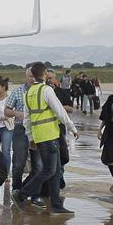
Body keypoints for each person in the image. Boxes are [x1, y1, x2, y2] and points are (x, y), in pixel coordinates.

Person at [13, 62, 79, 214]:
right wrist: (72, 128)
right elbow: (60, 111)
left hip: (39, 136)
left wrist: (30, 137)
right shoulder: (46, 90)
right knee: (49, 170)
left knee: (55, 172)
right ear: (43, 74)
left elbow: (27, 119)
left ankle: (56, 205)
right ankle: (21, 194)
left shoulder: (28, 92)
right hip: (50, 135)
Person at [4, 68, 43, 206]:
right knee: (18, 164)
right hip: (21, 130)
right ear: (26, 77)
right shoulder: (17, 91)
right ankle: (16, 190)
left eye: (35, 76)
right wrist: (16, 113)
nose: (32, 79)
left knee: (38, 165)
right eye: (30, 76)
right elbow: (6, 111)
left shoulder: (42, 91)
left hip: (38, 130)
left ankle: (35, 194)